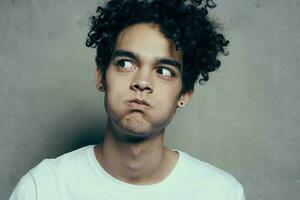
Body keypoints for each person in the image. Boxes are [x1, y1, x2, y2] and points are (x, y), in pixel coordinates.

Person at [10, 0, 245, 199]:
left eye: (164, 71)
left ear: (184, 95)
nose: (142, 82)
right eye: (126, 63)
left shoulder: (220, 193)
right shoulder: (43, 188)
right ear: (101, 77)